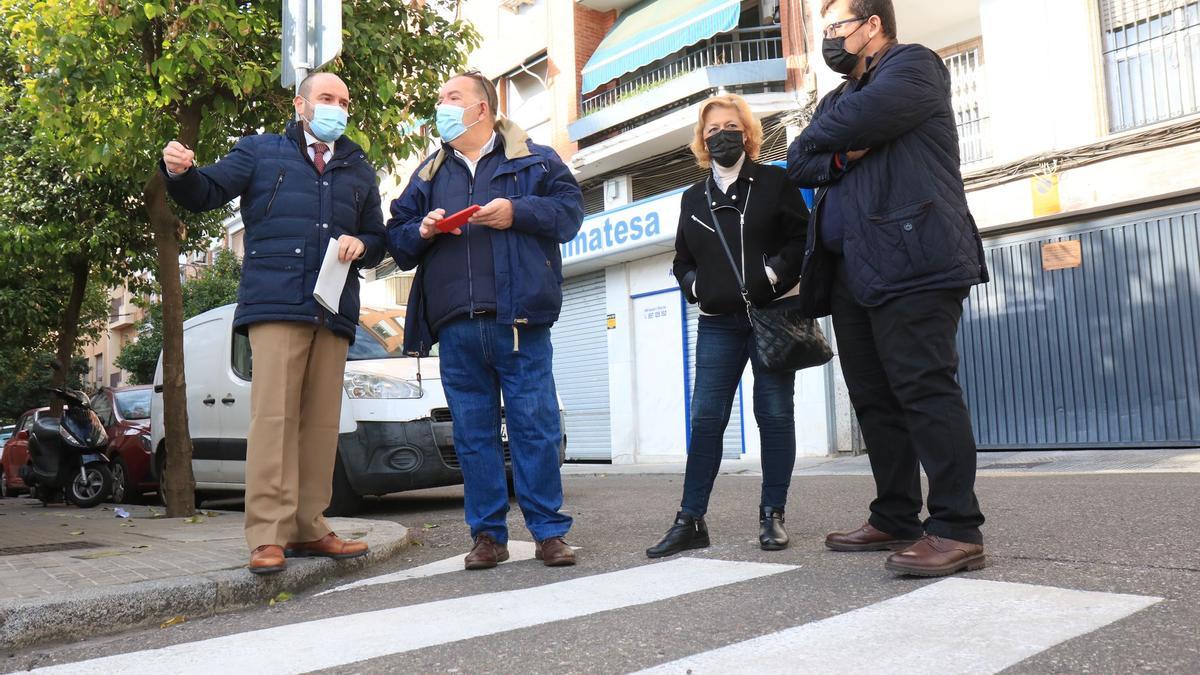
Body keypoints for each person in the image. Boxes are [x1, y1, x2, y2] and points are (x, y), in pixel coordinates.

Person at [787, 0, 989, 577]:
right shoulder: (835, 98)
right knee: (874, 398)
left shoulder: (914, 66)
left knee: (923, 387)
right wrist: (839, 150)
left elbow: (834, 131)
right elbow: (798, 161)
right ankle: (896, 514)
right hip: (851, 267)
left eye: (836, 27)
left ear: (872, 24)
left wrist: (824, 140)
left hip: (914, 255)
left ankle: (955, 527)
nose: (828, 39)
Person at [160, 72, 385, 574]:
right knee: (274, 420)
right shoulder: (261, 151)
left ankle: (310, 525)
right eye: (327, 98)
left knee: (321, 424)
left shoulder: (357, 165)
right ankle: (267, 534)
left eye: (344, 101)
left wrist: (364, 245)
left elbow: (377, 234)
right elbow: (207, 191)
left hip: (333, 307)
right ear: (301, 104)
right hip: (276, 302)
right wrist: (180, 172)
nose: (338, 108)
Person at [386, 70, 584, 570]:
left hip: (520, 320)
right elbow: (398, 238)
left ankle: (548, 533)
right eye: (440, 97)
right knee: (473, 435)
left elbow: (569, 214)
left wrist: (516, 212)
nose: (442, 105)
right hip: (455, 325)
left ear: (483, 109)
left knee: (533, 427)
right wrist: (423, 229)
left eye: (452, 96)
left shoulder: (535, 159)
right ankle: (487, 537)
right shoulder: (429, 173)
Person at [646, 94, 809, 559]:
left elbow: (802, 238)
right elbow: (681, 260)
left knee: (774, 414)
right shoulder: (693, 197)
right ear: (702, 140)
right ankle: (689, 520)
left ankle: (772, 515)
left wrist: (772, 274)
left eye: (730, 126)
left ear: (747, 132)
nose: (722, 135)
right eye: (712, 129)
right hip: (718, 323)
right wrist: (696, 287)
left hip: (772, 317)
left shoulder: (775, 181)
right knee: (706, 418)